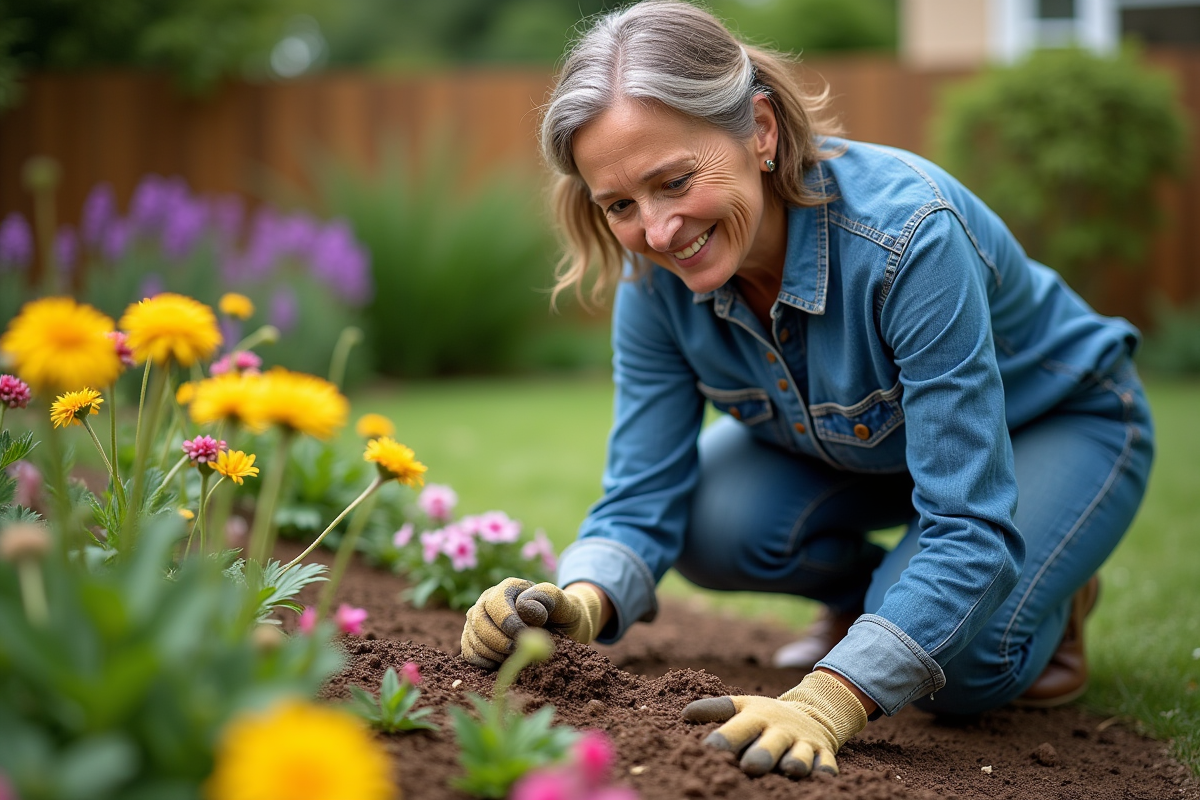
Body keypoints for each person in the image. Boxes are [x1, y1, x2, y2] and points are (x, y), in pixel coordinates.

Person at [459, 0, 1154, 780]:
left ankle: (1051, 598)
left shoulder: (907, 241)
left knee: (961, 672)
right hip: (875, 451)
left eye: (675, 180)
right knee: (711, 524)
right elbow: (641, 494)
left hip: (1059, 421)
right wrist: (577, 604)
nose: (657, 232)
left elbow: (967, 522)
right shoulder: (655, 286)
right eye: (620, 204)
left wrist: (828, 699)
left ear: (760, 130)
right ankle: (887, 601)